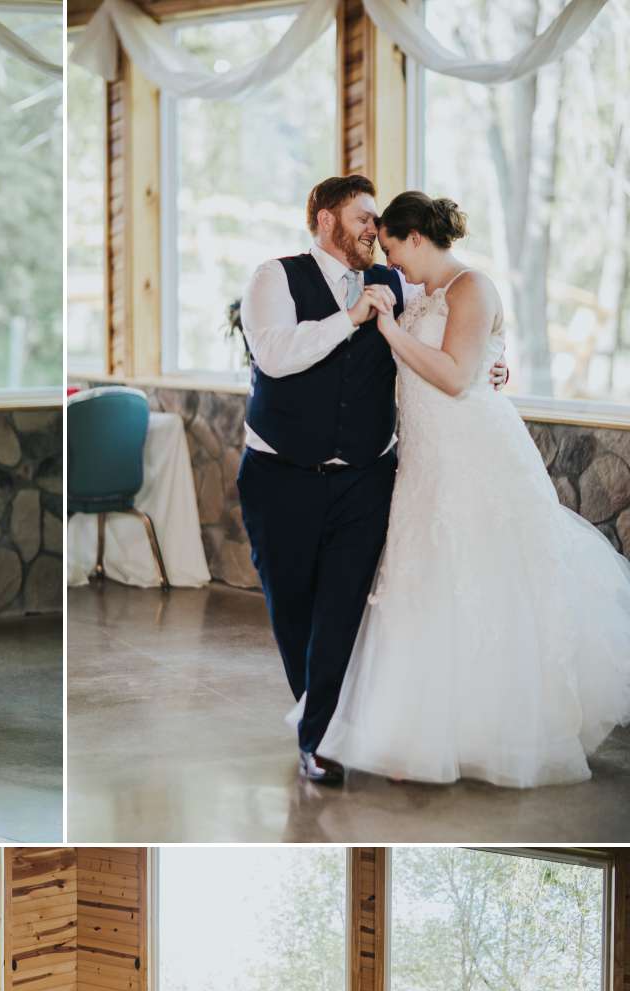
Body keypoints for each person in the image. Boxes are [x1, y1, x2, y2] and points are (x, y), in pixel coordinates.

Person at [320, 191, 630, 786]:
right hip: (426, 462)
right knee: (427, 586)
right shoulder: (423, 294)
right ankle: (419, 734)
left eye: (394, 249)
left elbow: (458, 377)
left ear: (416, 238)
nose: (391, 262)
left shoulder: (473, 287)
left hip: (473, 453)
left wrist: (391, 331)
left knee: (485, 584)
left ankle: (493, 733)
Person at [237, 174, 506, 786]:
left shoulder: (394, 282)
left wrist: (494, 360)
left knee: (342, 611)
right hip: (281, 477)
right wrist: (351, 317)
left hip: (365, 478)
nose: (372, 229)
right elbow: (275, 356)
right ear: (326, 219)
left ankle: (318, 740)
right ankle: (321, 720)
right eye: (362, 217)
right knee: (293, 610)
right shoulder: (273, 278)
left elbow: (455, 328)